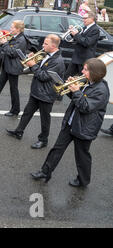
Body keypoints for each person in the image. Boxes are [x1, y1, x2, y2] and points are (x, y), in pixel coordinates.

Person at [31, 58, 109, 187]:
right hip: (71, 122)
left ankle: (83, 180)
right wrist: (68, 87)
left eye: (85, 69)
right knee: (57, 149)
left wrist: (77, 91)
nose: (82, 72)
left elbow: (85, 107)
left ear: (95, 72)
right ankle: (45, 171)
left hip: (84, 127)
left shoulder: (101, 90)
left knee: (82, 156)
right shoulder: (86, 81)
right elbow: (76, 100)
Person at [5, 34, 66, 149]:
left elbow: (43, 76)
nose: (42, 45)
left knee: (44, 119)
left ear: (53, 46)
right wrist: (33, 60)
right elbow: (41, 69)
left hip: (47, 94)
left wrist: (32, 65)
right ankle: (19, 131)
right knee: (27, 112)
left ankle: (43, 140)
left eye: (45, 44)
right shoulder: (46, 55)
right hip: (37, 91)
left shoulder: (58, 61)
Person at [0, 20, 28, 117]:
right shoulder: (15, 37)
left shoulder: (21, 40)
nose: (10, 29)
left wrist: (5, 43)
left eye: (12, 28)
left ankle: (15, 110)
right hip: (7, 65)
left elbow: (12, 53)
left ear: (18, 29)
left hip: (13, 67)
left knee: (13, 89)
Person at [64, 11, 100, 79]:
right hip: (77, 57)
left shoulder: (95, 29)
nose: (83, 20)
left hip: (84, 59)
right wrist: (72, 33)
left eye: (85, 18)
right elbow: (79, 39)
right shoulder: (85, 27)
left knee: (82, 79)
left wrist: (76, 34)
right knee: (67, 76)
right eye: (83, 18)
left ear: (91, 18)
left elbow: (87, 42)